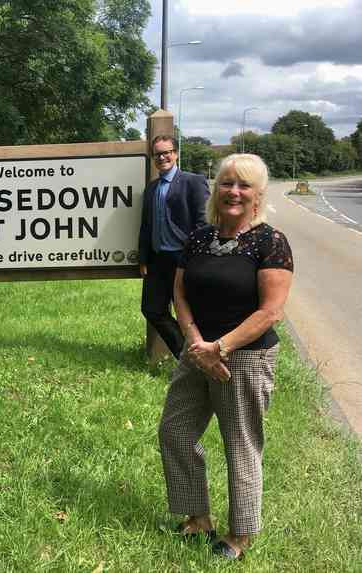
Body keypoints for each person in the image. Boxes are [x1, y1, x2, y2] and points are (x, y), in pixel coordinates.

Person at [158, 153, 293, 560]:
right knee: (175, 432)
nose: (233, 191)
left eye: (243, 185)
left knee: (239, 444)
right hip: (197, 352)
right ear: (215, 189)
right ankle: (198, 518)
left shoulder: (270, 242)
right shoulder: (199, 238)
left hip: (245, 358)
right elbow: (179, 293)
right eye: (226, 183)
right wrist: (198, 344)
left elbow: (271, 311)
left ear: (257, 195)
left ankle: (240, 535)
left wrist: (222, 348)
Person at [138, 135, 210, 358]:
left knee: (190, 313)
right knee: (152, 309)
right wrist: (143, 258)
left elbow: (204, 223)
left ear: (176, 153)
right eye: (157, 154)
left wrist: (196, 257)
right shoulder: (151, 189)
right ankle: (188, 358)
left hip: (184, 259)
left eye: (166, 152)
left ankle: (202, 356)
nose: (162, 157)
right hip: (158, 260)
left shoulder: (193, 181)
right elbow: (146, 225)